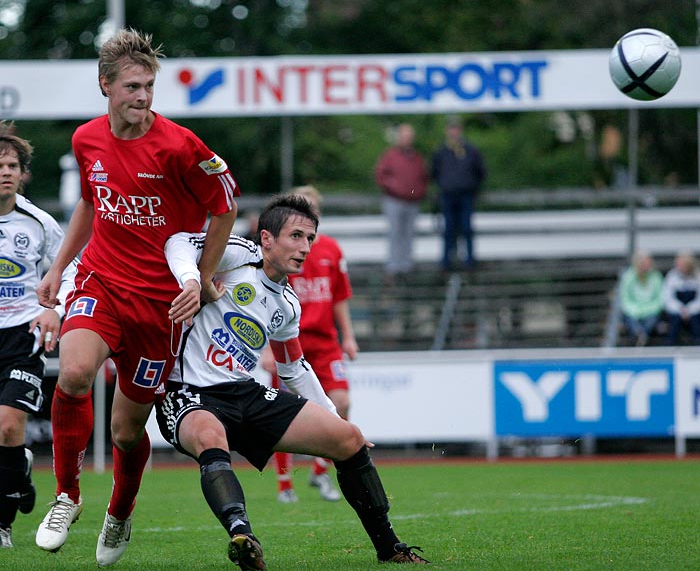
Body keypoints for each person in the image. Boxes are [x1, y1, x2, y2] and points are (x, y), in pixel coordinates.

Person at [34, 28, 239, 566]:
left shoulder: (180, 145)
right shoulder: (86, 139)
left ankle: (120, 511)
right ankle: (67, 497)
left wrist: (201, 277)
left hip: (160, 306)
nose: (142, 97)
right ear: (105, 86)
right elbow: (89, 203)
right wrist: (59, 268)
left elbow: (225, 207)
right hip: (100, 281)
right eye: (131, 86)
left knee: (126, 432)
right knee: (74, 373)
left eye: (148, 86)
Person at [157, 194, 429, 569]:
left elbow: (293, 367)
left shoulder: (287, 303)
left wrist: (336, 418)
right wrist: (192, 281)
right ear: (266, 238)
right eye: (296, 236)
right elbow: (179, 242)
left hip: (243, 392)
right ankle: (242, 535)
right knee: (209, 438)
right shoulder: (238, 254)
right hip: (188, 392)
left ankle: (390, 547)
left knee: (349, 440)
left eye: (310, 239)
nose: (305, 248)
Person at [0, 122, 76, 548]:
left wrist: (55, 311)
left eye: (13, 165)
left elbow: (69, 273)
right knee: (3, 439)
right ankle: (19, 474)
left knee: (9, 427)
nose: (6, 172)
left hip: (22, 334)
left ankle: (2, 525)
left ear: (23, 172)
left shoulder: (40, 223)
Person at [268, 185, 358, 504]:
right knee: (283, 410)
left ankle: (319, 472)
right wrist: (266, 345)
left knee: (342, 403)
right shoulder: (281, 250)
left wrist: (347, 335)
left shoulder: (332, 250)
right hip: (289, 340)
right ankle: (283, 483)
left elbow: (339, 297)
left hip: (325, 342)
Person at [431, 116, 487, 272]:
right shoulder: (441, 152)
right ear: (447, 131)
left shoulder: (471, 150)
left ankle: (469, 261)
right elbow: (433, 172)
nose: (454, 132)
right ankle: (446, 262)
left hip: (466, 195)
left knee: (467, 228)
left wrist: (472, 187)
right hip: (448, 195)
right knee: (448, 230)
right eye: (451, 129)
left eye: (456, 129)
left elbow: (481, 172)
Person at [374, 123, 429, 280]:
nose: (407, 139)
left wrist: (419, 191)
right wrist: (393, 187)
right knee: (395, 233)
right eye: (404, 136)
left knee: (409, 233)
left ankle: (407, 265)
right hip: (394, 200)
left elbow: (423, 176)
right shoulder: (390, 155)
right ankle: (393, 266)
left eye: (409, 136)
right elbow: (380, 175)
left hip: (412, 201)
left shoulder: (416, 156)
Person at [619, 251, 664, 346]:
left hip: (651, 311)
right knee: (630, 318)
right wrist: (636, 311)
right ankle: (640, 336)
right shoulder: (628, 277)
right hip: (634, 312)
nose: (647, 265)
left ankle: (640, 337)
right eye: (645, 263)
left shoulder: (656, 277)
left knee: (652, 318)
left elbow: (660, 299)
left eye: (649, 263)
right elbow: (625, 299)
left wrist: (647, 310)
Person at [662, 251, 700, 345]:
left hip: (694, 311)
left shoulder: (697, 276)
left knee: (696, 322)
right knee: (674, 321)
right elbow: (667, 298)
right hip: (677, 311)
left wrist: (690, 309)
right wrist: (680, 309)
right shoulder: (672, 276)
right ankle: (670, 345)